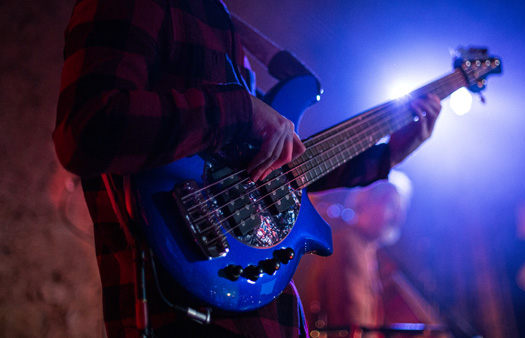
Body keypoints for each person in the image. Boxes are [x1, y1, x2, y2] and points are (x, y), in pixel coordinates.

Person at [52, 0, 441, 337]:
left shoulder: (218, 18)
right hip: (181, 313)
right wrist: (241, 109)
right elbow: (88, 127)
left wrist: (387, 156)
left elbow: (269, 172)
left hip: (268, 311)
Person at [295, 174, 412, 338]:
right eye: (392, 205)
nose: (398, 216)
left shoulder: (365, 249)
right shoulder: (348, 245)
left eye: (401, 209)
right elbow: (351, 321)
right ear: (366, 201)